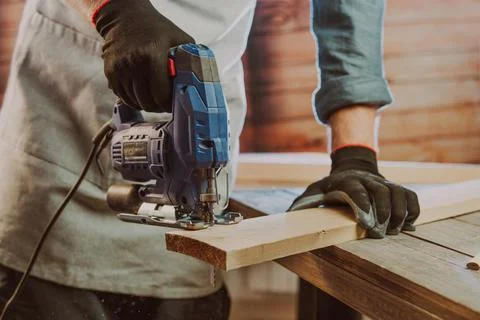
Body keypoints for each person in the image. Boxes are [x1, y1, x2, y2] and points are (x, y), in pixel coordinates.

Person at [0, 0, 419, 319]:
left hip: (201, 87)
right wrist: (114, 9)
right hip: (57, 135)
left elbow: (348, 11)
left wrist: (355, 154)